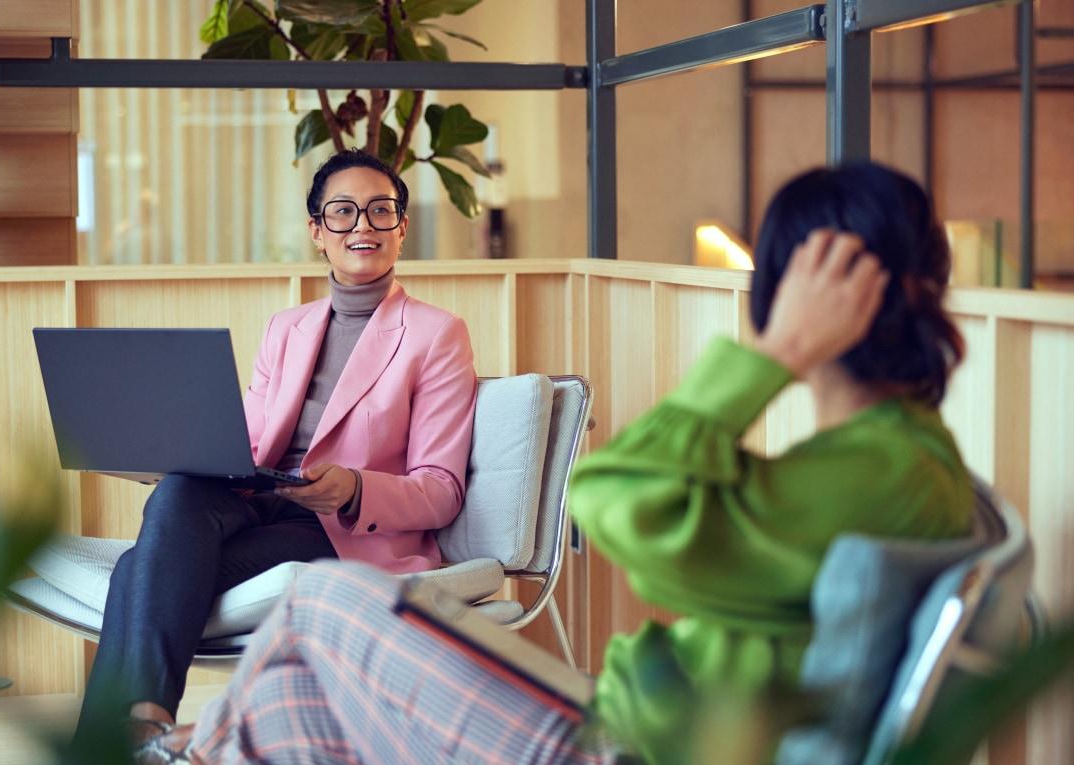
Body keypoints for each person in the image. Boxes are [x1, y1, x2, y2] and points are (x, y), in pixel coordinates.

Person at [149, 161, 976, 764]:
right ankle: (171, 746)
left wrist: (771, 354)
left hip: (616, 743)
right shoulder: (883, 460)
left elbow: (612, 499)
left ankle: (173, 746)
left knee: (322, 600)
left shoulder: (880, 474)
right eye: (340, 212)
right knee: (286, 701)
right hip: (624, 715)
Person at [73, 149, 478, 759]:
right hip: (256, 497)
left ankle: (123, 734)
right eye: (342, 212)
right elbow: (249, 442)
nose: (362, 225)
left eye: (380, 210)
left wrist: (355, 488)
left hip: (337, 527)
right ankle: (142, 734)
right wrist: (173, 451)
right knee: (179, 488)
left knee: (138, 570)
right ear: (317, 231)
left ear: (401, 226)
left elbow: (440, 488)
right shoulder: (286, 327)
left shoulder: (436, 334)